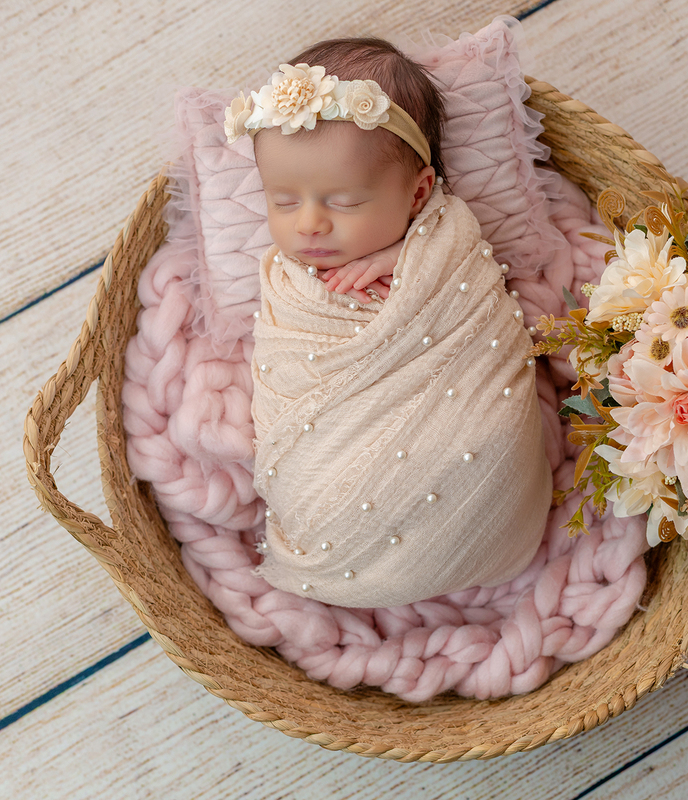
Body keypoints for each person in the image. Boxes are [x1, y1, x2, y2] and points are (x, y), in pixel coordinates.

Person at [225, 38, 552, 608]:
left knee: (488, 434)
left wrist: (410, 261)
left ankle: (476, 528)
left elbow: (465, 283)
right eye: (282, 201)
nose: (308, 226)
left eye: (345, 202)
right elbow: (283, 362)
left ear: (419, 192)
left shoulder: (447, 243)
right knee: (311, 478)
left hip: (466, 445)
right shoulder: (287, 281)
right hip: (327, 461)